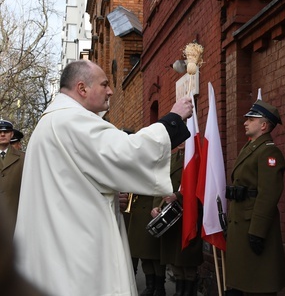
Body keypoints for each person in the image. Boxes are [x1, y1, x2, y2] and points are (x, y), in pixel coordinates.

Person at [14, 60, 194, 296]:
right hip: (75, 250)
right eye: (104, 84)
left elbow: (73, 181)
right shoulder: (72, 121)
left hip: (56, 241)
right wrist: (173, 119)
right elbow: (128, 152)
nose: (110, 91)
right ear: (82, 88)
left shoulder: (52, 121)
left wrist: (106, 196)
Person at [225, 100, 285, 295]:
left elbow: (268, 194)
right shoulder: (250, 148)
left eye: (251, 119)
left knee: (259, 284)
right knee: (239, 281)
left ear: (263, 125)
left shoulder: (269, 151)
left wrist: (257, 232)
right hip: (240, 221)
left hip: (253, 225)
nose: (245, 122)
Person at [151, 145, 203, 296]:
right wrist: (156, 207)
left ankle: (188, 291)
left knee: (188, 258)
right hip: (170, 216)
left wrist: (178, 196)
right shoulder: (171, 159)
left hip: (188, 213)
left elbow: (200, 186)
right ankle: (179, 291)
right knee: (174, 258)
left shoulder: (197, 158)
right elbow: (160, 185)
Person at [127, 191, 167, 296]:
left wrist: (157, 206)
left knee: (153, 252)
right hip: (138, 208)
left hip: (151, 208)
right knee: (142, 252)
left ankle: (159, 288)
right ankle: (150, 286)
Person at [0, 120, 25, 238]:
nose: (2, 134)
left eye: (6, 131)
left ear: (12, 134)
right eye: (0, 132)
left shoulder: (23, 158)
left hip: (14, 218)